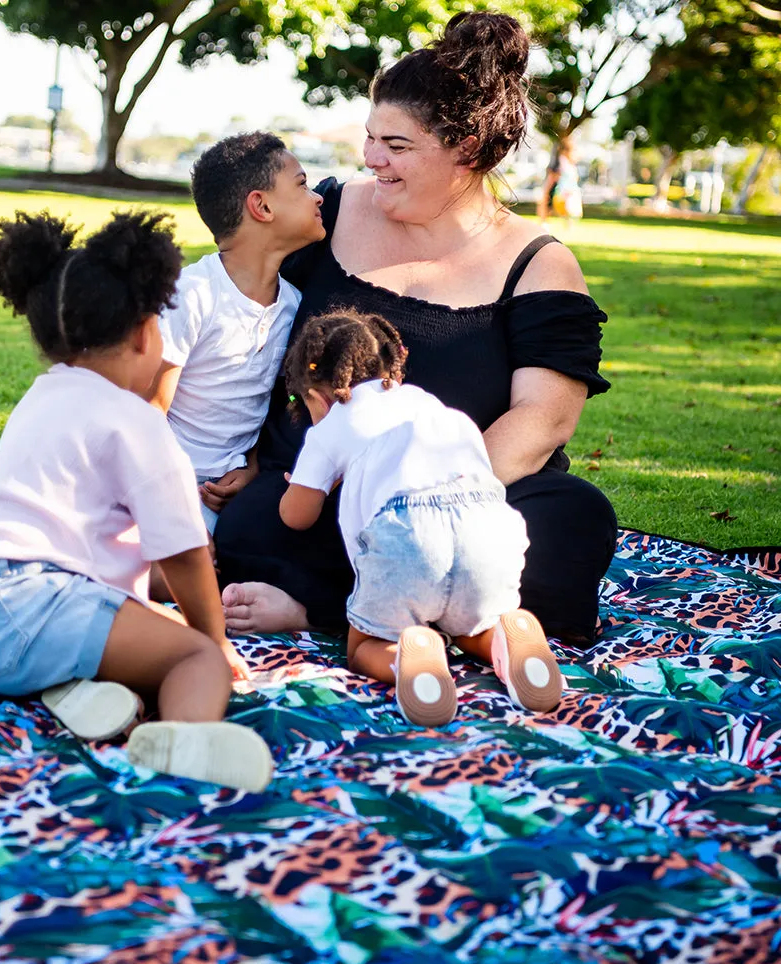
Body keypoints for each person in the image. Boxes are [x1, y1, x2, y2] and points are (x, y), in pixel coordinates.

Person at [215, 11, 617, 652]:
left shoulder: (539, 263)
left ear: (472, 153)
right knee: (254, 524)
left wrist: (417, 502)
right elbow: (238, 311)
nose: (372, 159)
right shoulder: (332, 209)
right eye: (372, 138)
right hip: (323, 489)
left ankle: (333, 606)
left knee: (573, 519)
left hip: (474, 496)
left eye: (397, 147)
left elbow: (543, 422)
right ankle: (455, 619)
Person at [0, 208, 273, 793]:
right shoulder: (137, 422)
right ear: (145, 333)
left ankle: (77, 690)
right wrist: (211, 639)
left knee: (127, 635)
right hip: (34, 604)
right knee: (191, 659)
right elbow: (185, 552)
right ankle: (185, 742)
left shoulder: (42, 397)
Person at [280, 310, 562, 725]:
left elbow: (295, 516)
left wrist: (302, 483)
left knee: (362, 645)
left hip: (406, 535)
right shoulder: (427, 403)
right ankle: (502, 639)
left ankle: (408, 660)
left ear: (319, 395)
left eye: (302, 402)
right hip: (488, 529)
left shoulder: (332, 423)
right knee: (469, 626)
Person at [151, 132, 325, 532]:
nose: (317, 197)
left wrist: (252, 467)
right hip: (158, 483)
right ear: (261, 206)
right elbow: (146, 413)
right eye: (301, 185)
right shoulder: (192, 294)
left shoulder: (294, 305)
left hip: (229, 490)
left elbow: (272, 405)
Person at [538, 135, 583, 226]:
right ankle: (544, 221)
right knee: (546, 202)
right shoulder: (562, 162)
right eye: (574, 151)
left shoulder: (569, 164)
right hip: (560, 189)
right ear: (565, 151)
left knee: (553, 204)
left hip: (565, 190)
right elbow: (553, 175)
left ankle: (549, 221)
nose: (576, 154)